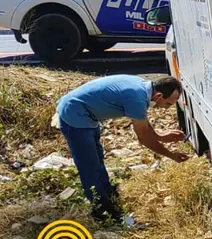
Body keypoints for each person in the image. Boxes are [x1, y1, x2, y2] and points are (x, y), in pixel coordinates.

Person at [56, 75, 190, 222]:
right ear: (158, 96)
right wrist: (171, 155)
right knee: (90, 168)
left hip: (87, 116)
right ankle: (103, 216)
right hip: (74, 115)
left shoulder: (143, 89)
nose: (166, 108)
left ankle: (110, 204)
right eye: (168, 104)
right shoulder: (137, 98)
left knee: (98, 163)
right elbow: (143, 137)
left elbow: (142, 122)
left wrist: (160, 136)